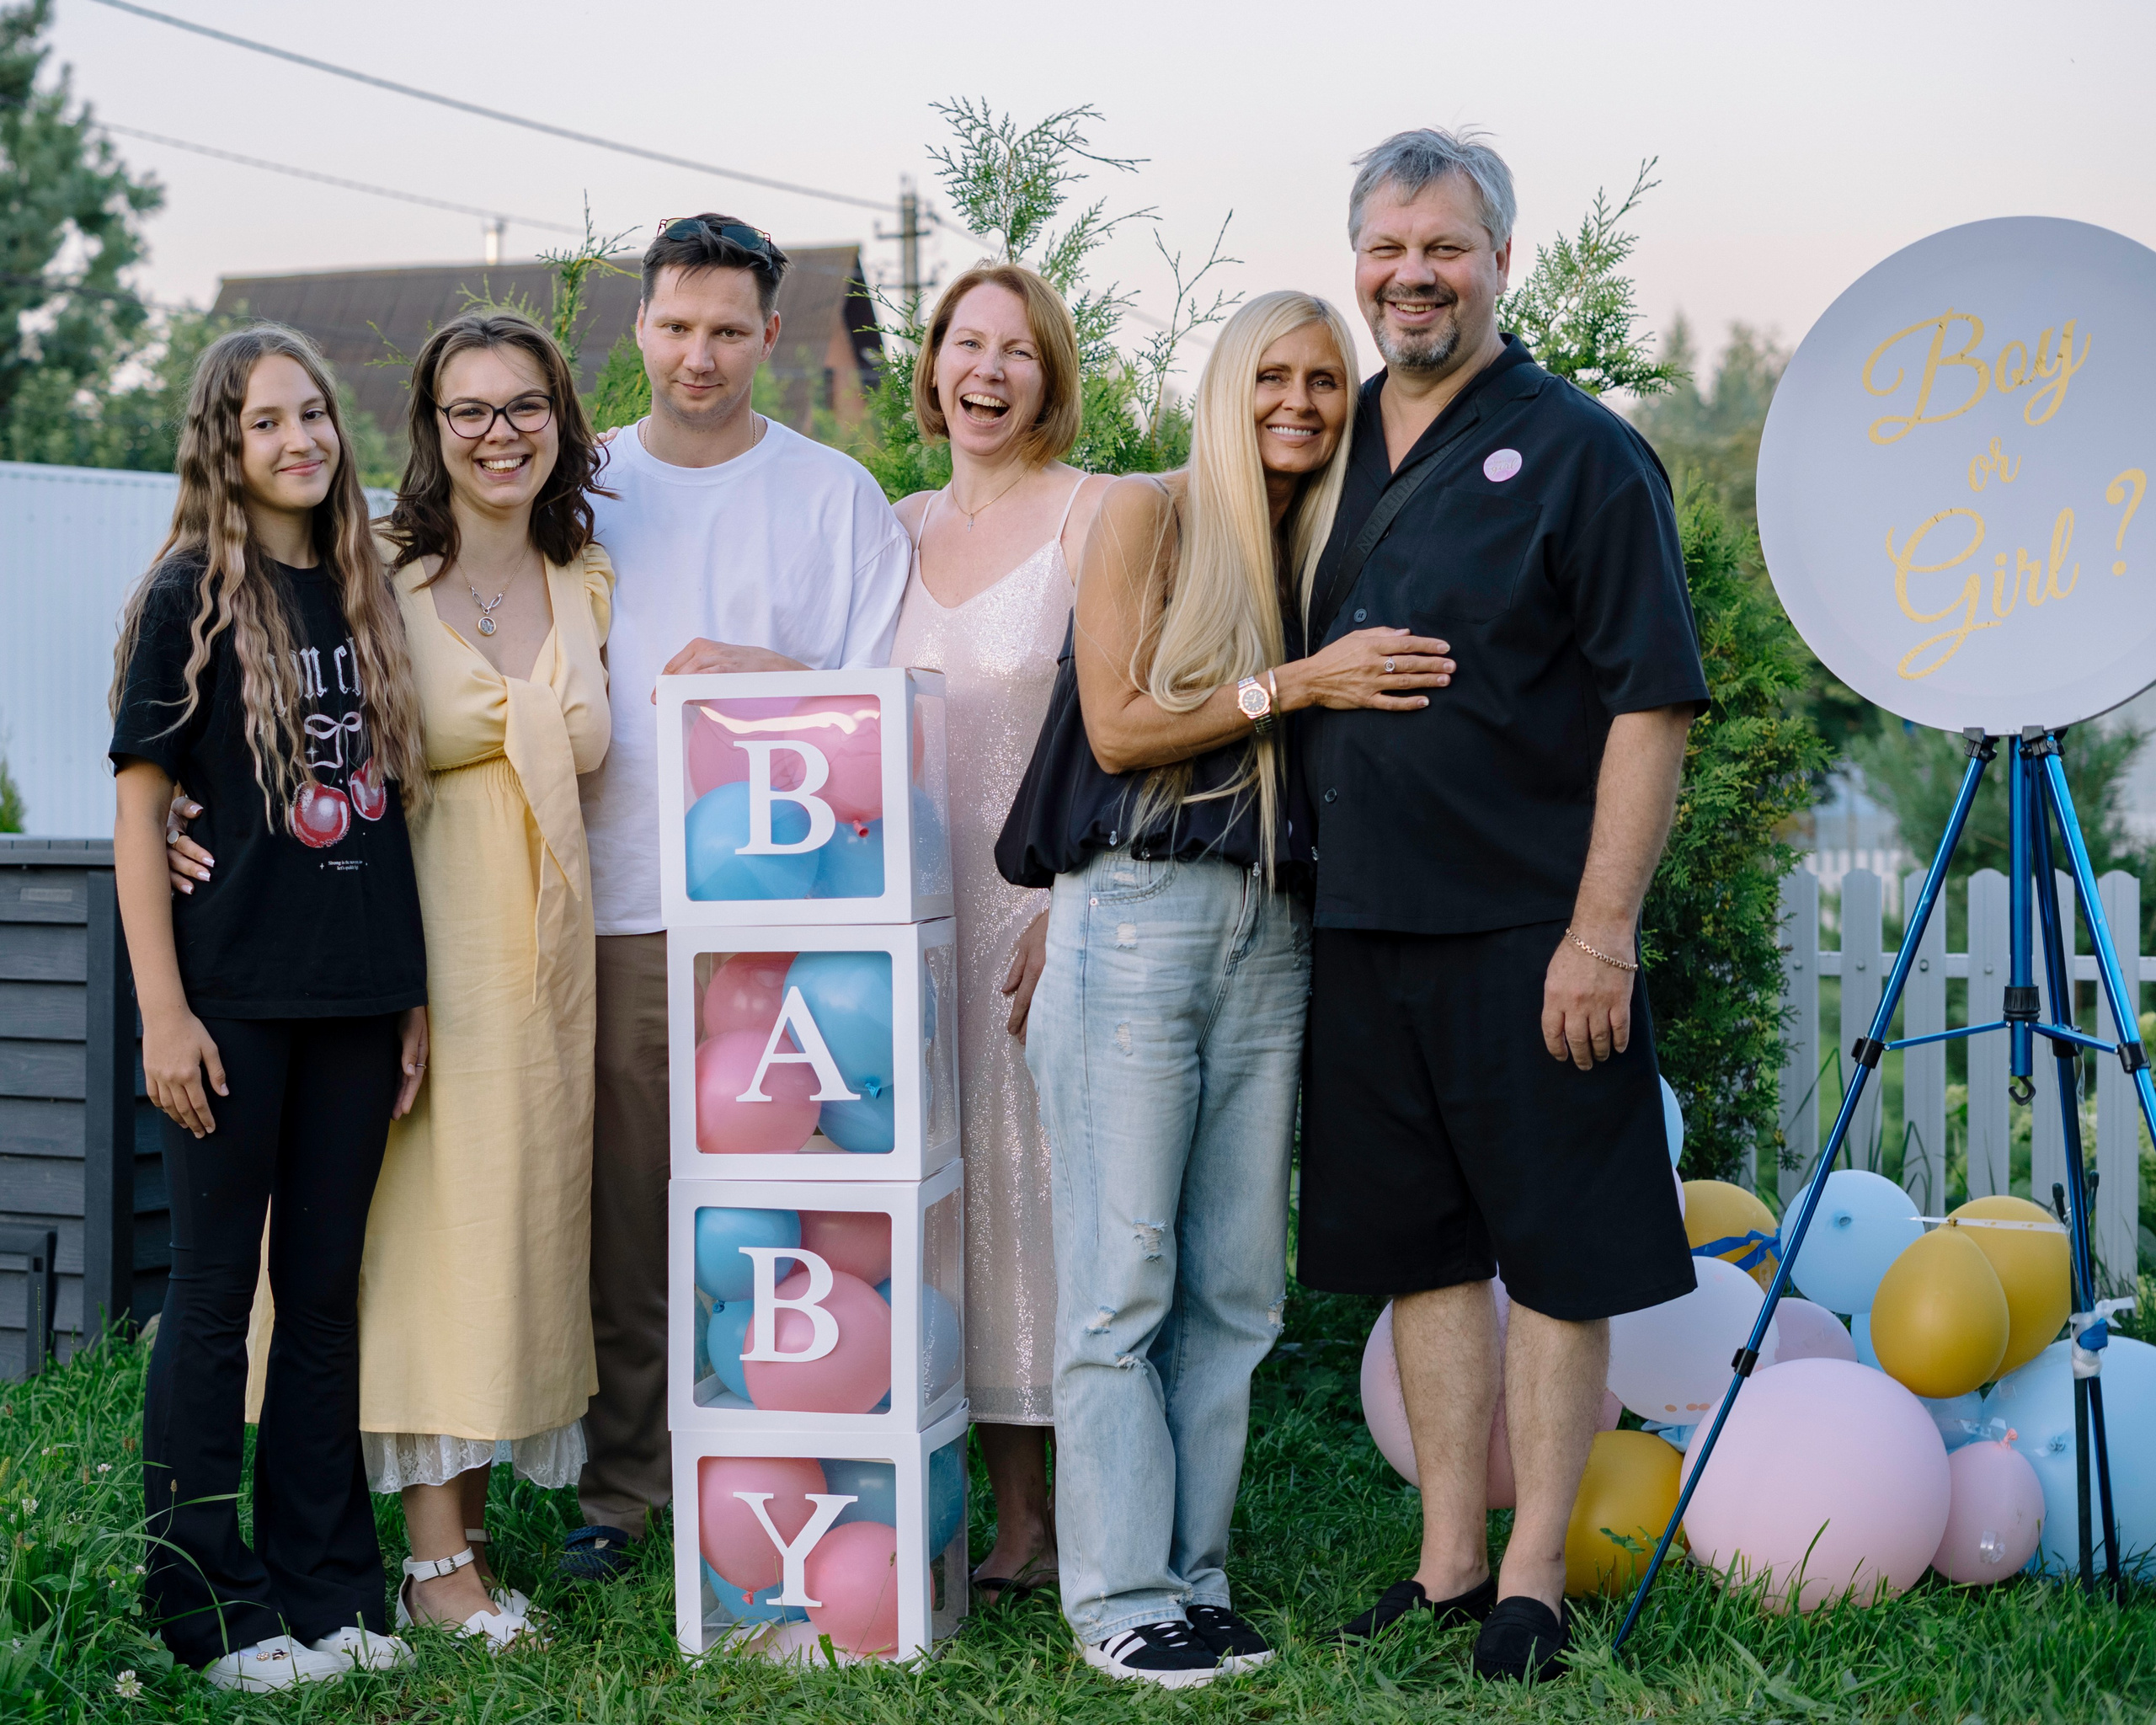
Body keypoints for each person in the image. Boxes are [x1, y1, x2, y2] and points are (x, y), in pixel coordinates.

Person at [1000, 290, 1456, 1688]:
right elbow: (1119, 725)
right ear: (1225, 387)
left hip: (1276, 928)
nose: (1299, 405)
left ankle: (1192, 1580)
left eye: (1323, 381)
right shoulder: (1147, 514)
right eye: (1273, 377)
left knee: (1240, 1292)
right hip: (1139, 914)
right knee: (1122, 1281)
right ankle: (1117, 1599)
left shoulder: (1327, 541)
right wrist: (1295, 684)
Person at [1296, 129, 1705, 1681]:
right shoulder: (1324, 447)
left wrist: (1602, 932)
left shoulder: (1584, 452)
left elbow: (1651, 705)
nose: (1414, 277)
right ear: (1358, 263)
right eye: (1389, 249)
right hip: (1359, 925)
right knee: (1423, 1253)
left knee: (1555, 1255)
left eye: (1445, 249)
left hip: (1535, 935)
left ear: (1501, 262)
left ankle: (1535, 1577)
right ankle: (1449, 1562)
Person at [565, 214, 911, 1575]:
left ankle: (799, 1456)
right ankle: (623, 1494)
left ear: (771, 334)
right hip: (624, 901)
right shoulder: (579, 487)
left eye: (725, 330)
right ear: (641, 329)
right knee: (633, 1212)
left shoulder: (834, 496)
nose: (697, 356)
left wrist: (778, 677)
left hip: (796, 918)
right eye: (674, 327)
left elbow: (889, 709)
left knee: (784, 1210)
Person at [110, 326, 430, 1690]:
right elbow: (141, 817)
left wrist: (405, 997)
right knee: (210, 1297)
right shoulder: (191, 591)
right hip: (229, 1003)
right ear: (224, 449)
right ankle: (204, 1607)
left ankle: (329, 1587)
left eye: (312, 414)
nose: (299, 440)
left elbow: (387, 814)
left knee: (321, 1297)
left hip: (356, 1001)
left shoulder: (362, 590)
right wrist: (163, 1014)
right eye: (264, 423)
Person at [362, 311, 615, 1644]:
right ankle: (433, 1567)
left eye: (524, 406)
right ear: (433, 428)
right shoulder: (378, 575)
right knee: (430, 1238)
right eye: (470, 410)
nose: (499, 433)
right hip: (421, 945)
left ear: (561, 422)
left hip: (549, 964)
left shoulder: (587, 577)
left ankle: (463, 1536)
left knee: (513, 1233)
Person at [889, 263, 1111, 1599]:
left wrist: (1073, 897)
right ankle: (983, 1512)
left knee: (1049, 1208)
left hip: (1039, 911)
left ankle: (1077, 1517)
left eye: (1017, 351)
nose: (987, 371)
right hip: (909, 924)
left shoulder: (1096, 515)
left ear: (1050, 377)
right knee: (945, 1209)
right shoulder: (894, 529)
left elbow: (1131, 728)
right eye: (965, 344)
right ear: (932, 365)